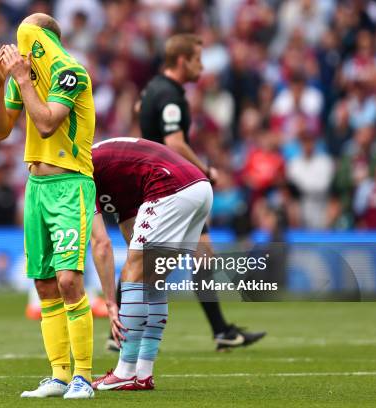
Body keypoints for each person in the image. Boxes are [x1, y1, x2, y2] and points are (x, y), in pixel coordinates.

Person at [0, 13, 118, 399]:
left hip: (70, 184)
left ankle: (83, 376)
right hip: (36, 187)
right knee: (44, 284)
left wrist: (23, 79)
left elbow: (45, 124)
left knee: (68, 280)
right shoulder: (24, 76)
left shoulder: (71, 74)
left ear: (44, 40)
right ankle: (59, 374)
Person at [132, 32, 265, 351]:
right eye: (197, 60)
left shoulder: (153, 88)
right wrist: (204, 170)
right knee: (152, 263)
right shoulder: (172, 95)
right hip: (172, 186)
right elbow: (175, 141)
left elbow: (140, 108)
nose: (201, 67)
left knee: (202, 256)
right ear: (181, 61)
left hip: (164, 183)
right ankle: (120, 328)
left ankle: (221, 331)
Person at [90, 137, 212, 390]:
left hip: (170, 186)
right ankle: (143, 373)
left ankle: (124, 371)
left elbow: (101, 243)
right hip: (198, 186)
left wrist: (111, 300)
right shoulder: (108, 168)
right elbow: (128, 227)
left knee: (133, 274)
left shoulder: (79, 172)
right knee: (153, 279)